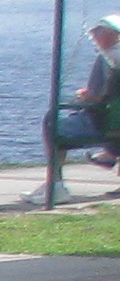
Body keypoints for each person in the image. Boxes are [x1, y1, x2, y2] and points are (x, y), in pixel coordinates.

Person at [49, 13, 120, 173]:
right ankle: (110, 154)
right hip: (116, 122)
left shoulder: (107, 59)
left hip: (103, 125)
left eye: (97, 33)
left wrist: (83, 97)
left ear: (109, 34)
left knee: (51, 126)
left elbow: (96, 97)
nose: (94, 37)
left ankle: (55, 182)